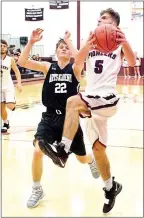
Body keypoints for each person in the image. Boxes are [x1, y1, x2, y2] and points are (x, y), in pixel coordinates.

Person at [46, 8, 136, 213]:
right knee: (98, 150)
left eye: (103, 18)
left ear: (114, 24)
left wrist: (124, 41)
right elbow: (78, 61)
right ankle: (110, 187)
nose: (99, 21)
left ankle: (63, 150)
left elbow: (131, 63)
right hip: (92, 99)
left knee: (72, 102)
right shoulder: (93, 40)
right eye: (98, 19)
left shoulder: (119, 44)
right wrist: (86, 44)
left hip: (107, 99)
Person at [18, 28, 99, 208]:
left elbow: (79, 58)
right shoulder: (48, 67)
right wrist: (31, 42)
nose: (64, 49)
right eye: (60, 47)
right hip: (49, 117)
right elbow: (22, 61)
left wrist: (70, 41)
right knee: (37, 148)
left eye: (66, 48)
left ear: (70, 52)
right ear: (55, 52)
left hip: (69, 121)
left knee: (81, 158)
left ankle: (90, 160)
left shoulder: (75, 69)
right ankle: (37, 188)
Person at [1, 39, 22, 133]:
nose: (2, 47)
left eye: (4, 46)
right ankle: (5, 123)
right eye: (0, 45)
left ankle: (9, 101)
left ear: (6, 48)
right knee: (1, 108)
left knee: (10, 106)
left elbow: (17, 71)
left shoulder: (10, 59)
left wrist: (19, 83)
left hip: (8, 85)